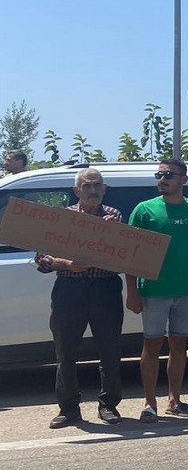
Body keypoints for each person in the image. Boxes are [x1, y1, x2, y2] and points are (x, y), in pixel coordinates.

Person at [126, 158, 188, 421]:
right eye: (159, 175)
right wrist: (132, 291)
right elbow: (130, 252)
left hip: (186, 291)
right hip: (153, 291)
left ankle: (174, 400)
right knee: (151, 345)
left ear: (183, 180)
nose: (162, 179)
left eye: (168, 175)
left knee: (179, 346)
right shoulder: (144, 210)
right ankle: (149, 403)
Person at [37, 168, 124, 428]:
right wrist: (67, 264)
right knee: (65, 352)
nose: (93, 190)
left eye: (97, 185)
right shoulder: (62, 218)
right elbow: (41, 259)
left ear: (104, 189)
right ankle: (68, 409)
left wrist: (117, 233)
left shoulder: (115, 216)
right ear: (77, 190)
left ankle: (108, 405)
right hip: (69, 289)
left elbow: (128, 256)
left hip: (105, 289)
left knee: (110, 350)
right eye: (87, 186)